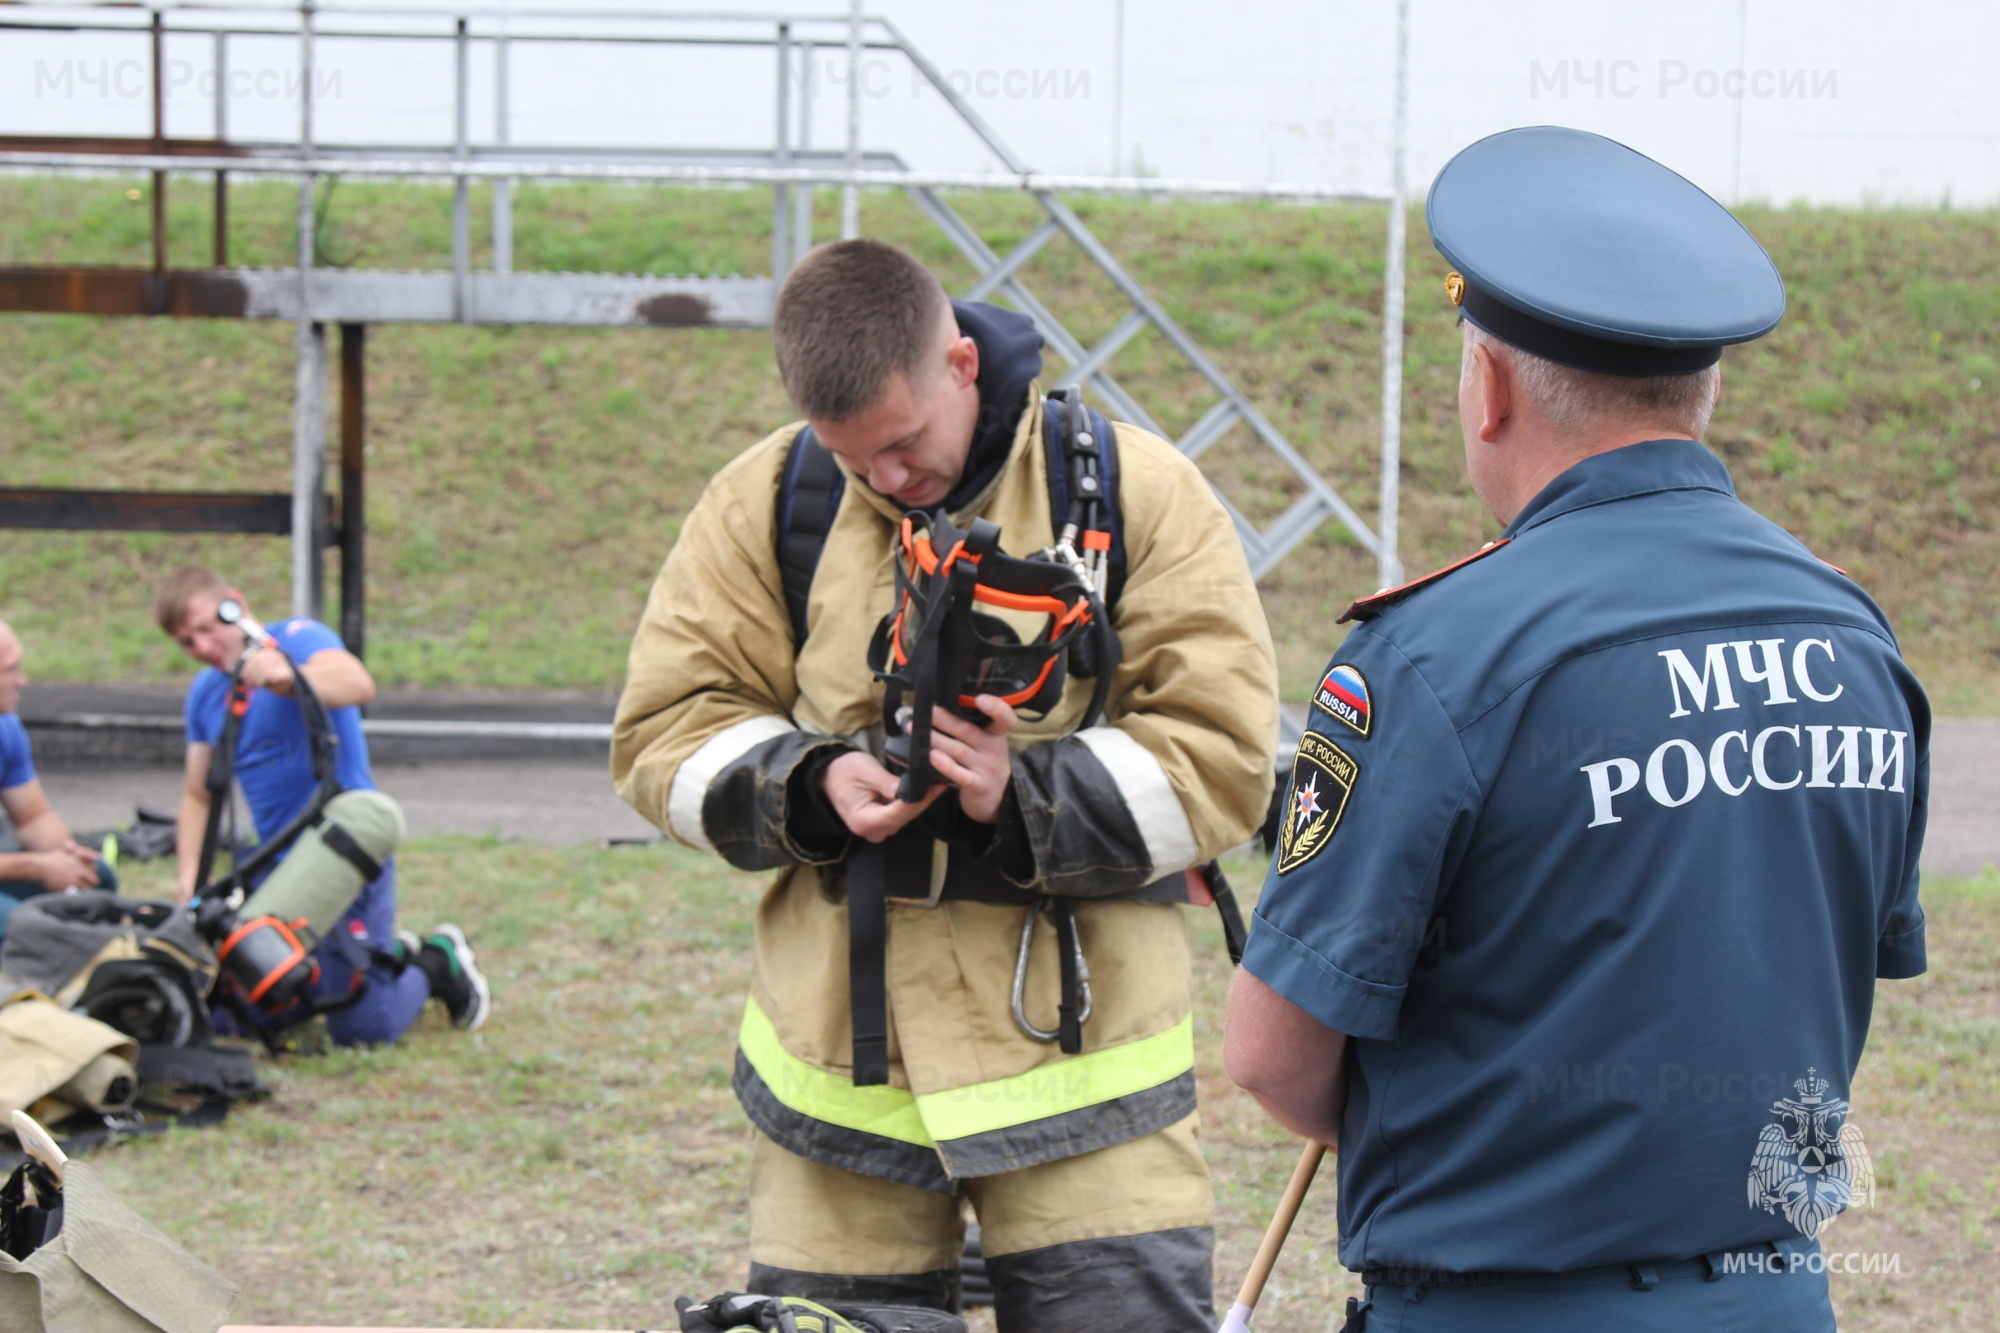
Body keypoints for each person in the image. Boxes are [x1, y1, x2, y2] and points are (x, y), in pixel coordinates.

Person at [1224, 126, 1928, 1332]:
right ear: (1698, 388)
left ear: (1488, 387)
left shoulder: (1434, 656)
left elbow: (1272, 1054)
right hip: (1776, 1296)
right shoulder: (1851, 636)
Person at [614, 238, 1278, 1332]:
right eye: (851, 455)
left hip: (1088, 1086)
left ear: (960, 364)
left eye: (903, 443)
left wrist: (1016, 795)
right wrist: (809, 782)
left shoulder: (1131, 490)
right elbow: (661, 728)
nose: (883, 478)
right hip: (841, 1084)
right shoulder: (769, 499)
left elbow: (1224, 751)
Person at [156, 568, 490, 1042]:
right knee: (236, 1012)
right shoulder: (206, 695)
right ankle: (371, 960)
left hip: (344, 849)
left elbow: (356, 683)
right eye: (188, 642)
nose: (205, 647)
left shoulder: (297, 638)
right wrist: (190, 876)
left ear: (235, 603)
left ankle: (434, 961)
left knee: (362, 1030)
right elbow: (198, 792)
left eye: (208, 627)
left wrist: (291, 676)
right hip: (276, 865)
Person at [0, 619, 116, 944]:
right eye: (9, 670)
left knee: (96, 880)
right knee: (18, 924)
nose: (22, 681)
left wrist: (66, 856)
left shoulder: (6, 728)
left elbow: (33, 817)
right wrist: (37, 867)